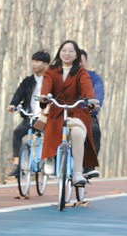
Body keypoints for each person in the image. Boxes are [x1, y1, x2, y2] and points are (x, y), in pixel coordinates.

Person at [38, 40, 99, 187]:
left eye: (71, 51)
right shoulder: (51, 71)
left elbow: (86, 87)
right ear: (59, 52)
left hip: (75, 110)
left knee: (78, 133)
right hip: (56, 109)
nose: (67, 54)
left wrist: (89, 99)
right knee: (52, 129)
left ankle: (78, 173)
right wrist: (44, 96)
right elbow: (46, 86)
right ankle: (50, 158)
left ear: (76, 54)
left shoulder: (80, 72)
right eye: (64, 50)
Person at [6, 51, 51, 177]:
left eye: (38, 61)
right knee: (17, 132)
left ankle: (50, 162)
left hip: (46, 118)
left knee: (52, 135)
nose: (34, 64)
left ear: (46, 65)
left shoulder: (51, 81)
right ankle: (17, 164)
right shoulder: (28, 81)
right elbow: (18, 94)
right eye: (33, 61)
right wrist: (13, 105)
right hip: (30, 117)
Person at [80, 49, 104, 178]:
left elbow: (98, 95)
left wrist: (93, 105)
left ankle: (89, 167)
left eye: (81, 61)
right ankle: (52, 159)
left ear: (86, 62)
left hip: (87, 112)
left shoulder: (94, 78)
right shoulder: (64, 77)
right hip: (67, 112)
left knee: (94, 130)